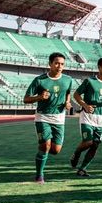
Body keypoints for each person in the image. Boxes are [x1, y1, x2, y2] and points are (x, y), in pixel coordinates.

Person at [24, 52, 73, 183]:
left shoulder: (68, 80)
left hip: (59, 118)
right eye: (56, 63)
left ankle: (42, 153)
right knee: (45, 145)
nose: (59, 66)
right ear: (50, 64)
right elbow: (26, 99)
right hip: (43, 117)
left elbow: (68, 93)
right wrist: (39, 97)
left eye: (62, 64)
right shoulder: (40, 80)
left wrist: (68, 102)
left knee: (55, 150)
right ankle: (39, 175)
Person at [69, 57, 102, 176]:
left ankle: (82, 169)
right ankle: (76, 153)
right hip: (87, 115)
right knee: (88, 142)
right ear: (99, 67)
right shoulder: (89, 81)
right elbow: (76, 95)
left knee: (95, 145)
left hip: (100, 118)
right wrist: (85, 105)